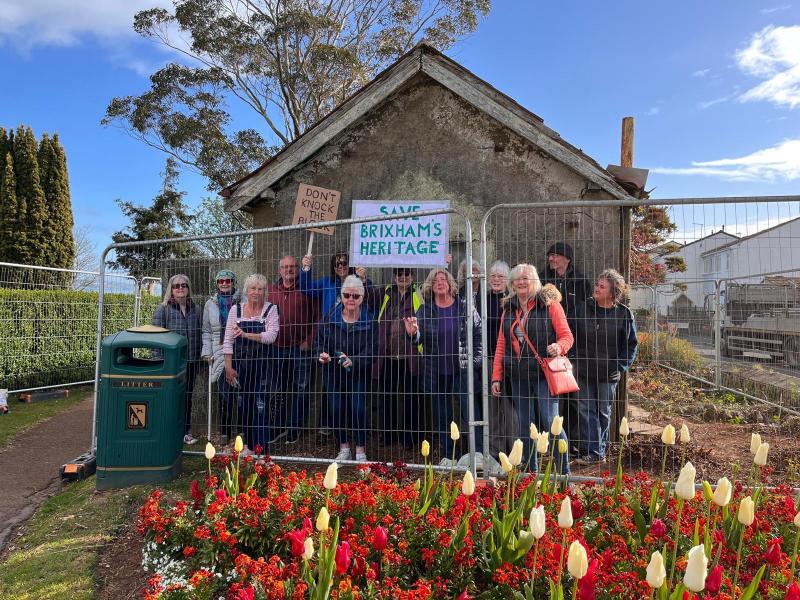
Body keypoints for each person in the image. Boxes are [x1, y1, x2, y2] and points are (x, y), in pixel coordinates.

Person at [491, 264, 573, 473]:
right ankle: (530, 470)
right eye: (517, 278)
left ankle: (564, 472)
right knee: (525, 424)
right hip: (518, 375)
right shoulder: (508, 309)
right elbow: (501, 344)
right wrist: (496, 377)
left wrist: (559, 346)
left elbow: (567, 336)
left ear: (535, 281)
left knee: (551, 421)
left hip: (544, 374)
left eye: (526, 278)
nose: (521, 282)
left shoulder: (550, 305)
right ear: (511, 283)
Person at [404, 268, 482, 466]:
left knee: (470, 413)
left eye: (444, 279)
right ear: (431, 286)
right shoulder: (425, 310)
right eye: (436, 280)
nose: (440, 282)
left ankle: (479, 455)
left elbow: (478, 332)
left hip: (462, 371)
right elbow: (419, 339)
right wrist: (413, 334)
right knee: (443, 416)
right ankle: (449, 457)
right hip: (436, 372)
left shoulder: (464, 307)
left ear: (450, 284)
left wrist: (475, 361)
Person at [299, 251, 377, 435]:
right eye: (337, 264)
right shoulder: (327, 283)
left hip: (355, 342)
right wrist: (306, 268)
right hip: (331, 340)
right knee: (332, 395)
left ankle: (356, 435)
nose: (341, 266)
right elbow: (306, 288)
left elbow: (371, 297)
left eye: (344, 263)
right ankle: (329, 431)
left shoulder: (357, 282)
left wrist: (363, 278)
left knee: (356, 398)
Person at [569, 269, 638, 465]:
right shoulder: (582, 308)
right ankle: (594, 452)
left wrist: (620, 365)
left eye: (602, 286)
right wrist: (573, 357)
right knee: (584, 409)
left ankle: (596, 449)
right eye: (596, 285)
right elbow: (568, 332)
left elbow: (631, 345)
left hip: (608, 373)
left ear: (613, 292)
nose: (596, 288)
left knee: (603, 412)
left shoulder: (624, 314)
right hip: (583, 370)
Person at [315, 275, 378, 462]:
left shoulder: (370, 320)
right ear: (341, 296)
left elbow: (373, 349)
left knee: (358, 409)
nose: (351, 299)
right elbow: (319, 343)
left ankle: (360, 450)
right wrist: (321, 354)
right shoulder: (329, 318)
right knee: (336, 409)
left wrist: (355, 361)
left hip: (358, 373)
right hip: (333, 373)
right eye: (347, 295)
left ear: (362, 298)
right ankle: (343, 447)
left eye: (355, 296)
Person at [223, 274, 280, 454]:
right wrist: (228, 367)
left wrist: (246, 335)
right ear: (246, 291)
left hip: (263, 367)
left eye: (260, 289)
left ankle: (261, 450)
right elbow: (228, 340)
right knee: (244, 405)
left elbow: (271, 337)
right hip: (241, 367)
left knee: (261, 406)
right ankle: (248, 445)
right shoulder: (235, 310)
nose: (256, 292)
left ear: (265, 292)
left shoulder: (271, 309)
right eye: (253, 288)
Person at [268, 255, 319, 444]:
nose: (288, 270)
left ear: (298, 269)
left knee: (301, 389)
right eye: (285, 267)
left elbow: (318, 317)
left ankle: (295, 429)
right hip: (276, 347)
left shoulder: (307, 288)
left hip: (301, 348)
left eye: (292, 267)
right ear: (279, 269)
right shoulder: (270, 290)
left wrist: (310, 340)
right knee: (277, 389)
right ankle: (278, 428)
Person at [372, 267, 423, 449]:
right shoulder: (385, 292)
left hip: (411, 355)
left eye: (407, 273)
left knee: (411, 397)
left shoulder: (419, 292)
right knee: (387, 396)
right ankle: (388, 436)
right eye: (399, 274)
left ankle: (411, 438)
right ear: (394, 276)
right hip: (387, 354)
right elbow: (367, 296)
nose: (403, 277)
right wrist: (361, 277)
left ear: (412, 275)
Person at [154, 274, 202, 445]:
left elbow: (200, 334)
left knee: (187, 398)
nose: (180, 288)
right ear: (171, 290)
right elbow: (156, 338)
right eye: (176, 286)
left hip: (191, 362)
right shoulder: (163, 309)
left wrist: (200, 357)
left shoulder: (195, 309)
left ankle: (185, 433)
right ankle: (167, 433)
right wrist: (160, 361)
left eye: (184, 285)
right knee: (171, 398)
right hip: (171, 364)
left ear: (188, 288)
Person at [201, 269, 241, 443]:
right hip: (218, 349)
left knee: (241, 390)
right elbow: (206, 330)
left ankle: (242, 431)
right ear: (216, 283)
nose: (224, 283)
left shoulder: (242, 300)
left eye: (228, 280)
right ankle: (224, 432)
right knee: (224, 392)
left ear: (233, 282)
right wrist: (207, 351)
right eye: (221, 281)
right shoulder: (210, 304)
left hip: (239, 348)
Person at [485, 260, 515, 457]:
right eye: (493, 276)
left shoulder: (511, 301)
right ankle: (495, 449)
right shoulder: (482, 298)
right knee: (492, 405)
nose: (496, 279)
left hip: (509, 358)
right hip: (488, 357)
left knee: (510, 405)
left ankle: (514, 448)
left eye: (500, 276)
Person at [540, 242, 593, 314]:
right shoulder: (541, 279)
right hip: (548, 323)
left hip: (574, 324)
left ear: (567, 259)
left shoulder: (581, 281)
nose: (550, 259)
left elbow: (588, 307)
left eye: (555, 256)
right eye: (549, 255)